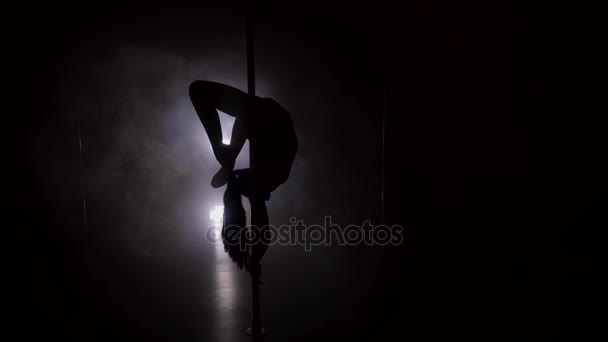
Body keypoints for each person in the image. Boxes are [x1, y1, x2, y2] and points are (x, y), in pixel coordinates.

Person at [189, 80, 298, 272]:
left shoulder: (266, 180)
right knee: (198, 90)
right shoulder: (264, 181)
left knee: (199, 90)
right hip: (262, 120)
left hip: (260, 118)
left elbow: (262, 230)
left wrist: (255, 259)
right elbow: (262, 230)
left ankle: (226, 157)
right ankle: (226, 157)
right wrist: (254, 260)